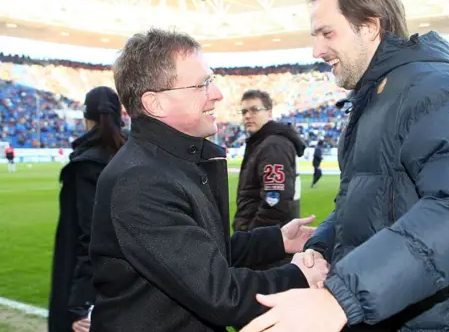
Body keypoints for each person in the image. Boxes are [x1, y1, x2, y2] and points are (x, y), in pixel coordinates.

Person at [241, 0, 449, 332]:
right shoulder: (375, 98)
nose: (316, 51)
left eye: (327, 33)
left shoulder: (433, 89)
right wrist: (320, 248)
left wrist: (341, 297)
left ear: (369, 27)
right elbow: (364, 202)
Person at [88, 28, 328, 332]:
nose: (217, 94)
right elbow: (221, 294)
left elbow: (200, 252)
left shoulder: (170, 162)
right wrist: (299, 277)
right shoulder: (141, 180)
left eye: (211, 81)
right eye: (202, 85)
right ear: (155, 103)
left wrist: (277, 241)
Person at [48, 86, 126, 332]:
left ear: (87, 118)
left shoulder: (87, 165)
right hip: (132, 285)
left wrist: (81, 304)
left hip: (96, 291)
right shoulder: (133, 156)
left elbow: (90, 238)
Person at [233, 90, 306, 234]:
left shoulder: (274, 145)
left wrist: (253, 234)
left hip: (269, 242)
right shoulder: (262, 142)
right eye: (244, 111)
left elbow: (276, 200)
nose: (247, 116)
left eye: (254, 110)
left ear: (269, 113)